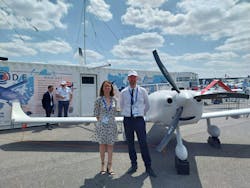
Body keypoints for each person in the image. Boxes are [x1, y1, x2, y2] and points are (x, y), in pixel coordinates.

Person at [120, 70, 157, 177]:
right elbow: (121, 105)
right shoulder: (124, 92)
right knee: (130, 143)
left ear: (137, 79)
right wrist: (129, 113)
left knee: (143, 143)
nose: (132, 79)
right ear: (128, 79)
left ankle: (148, 166)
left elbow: (147, 105)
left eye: (134, 77)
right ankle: (133, 165)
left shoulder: (142, 91)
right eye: (130, 77)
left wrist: (140, 113)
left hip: (139, 120)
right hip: (128, 120)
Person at [93, 80, 118, 175]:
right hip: (102, 126)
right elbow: (96, 113)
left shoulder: (114, 100)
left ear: (111, 88)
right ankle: (103, 165)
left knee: (110, 146)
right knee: (102, 145)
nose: (107, 88)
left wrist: (109, 120)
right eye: (105, 86)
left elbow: (115, 112)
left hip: (112, 125)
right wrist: (103, 121)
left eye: (109, 86)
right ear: (102, 88)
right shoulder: (98, 100)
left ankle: (110, 165)